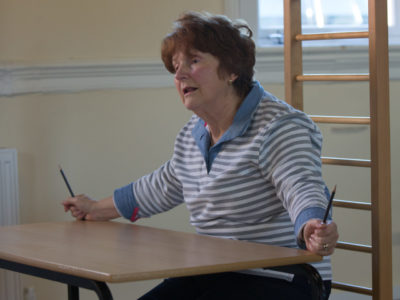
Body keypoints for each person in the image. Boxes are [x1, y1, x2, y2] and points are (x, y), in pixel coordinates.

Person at [62, 11, 339, 300]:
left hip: (283, 277)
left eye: (193, 61)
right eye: (175, 66)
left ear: (232, 70)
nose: (179, 74)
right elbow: (157, 188)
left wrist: (310, 223)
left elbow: (300, 185)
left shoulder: (278, 126)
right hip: (215, 273)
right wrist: (94, 209)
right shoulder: (192, 134)